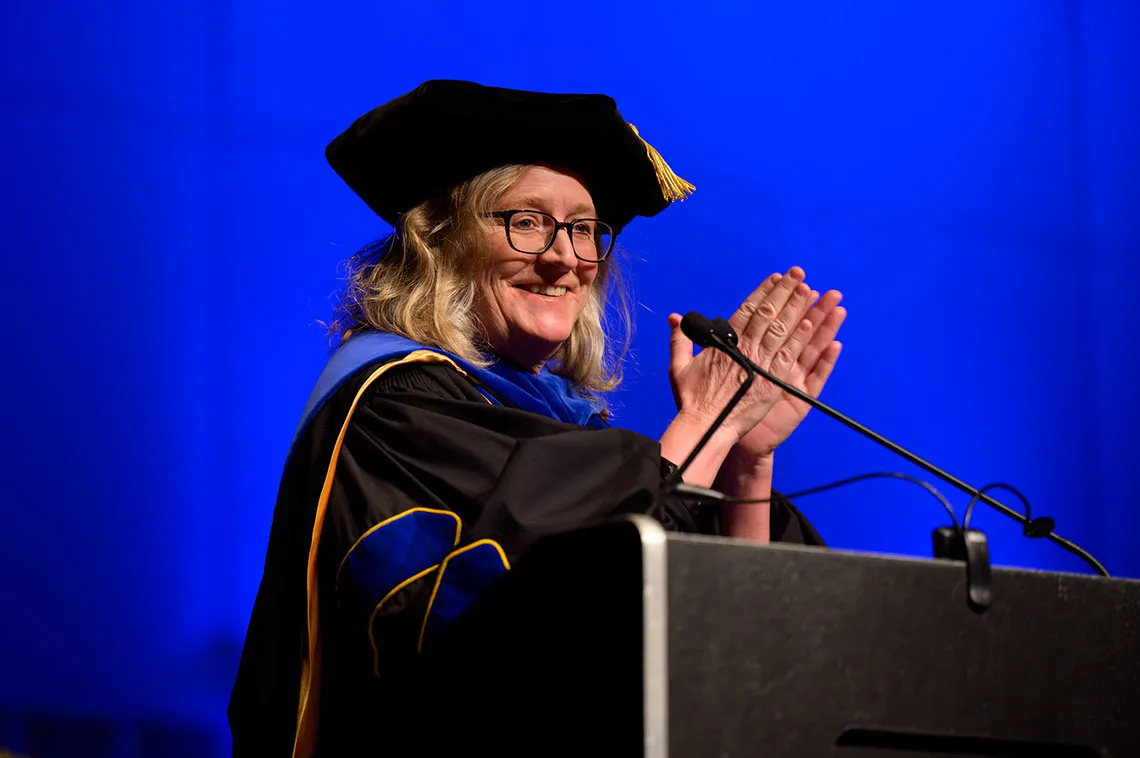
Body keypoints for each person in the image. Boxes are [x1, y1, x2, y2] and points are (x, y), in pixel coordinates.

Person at [228, 80, 846, 758]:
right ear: (442, 241)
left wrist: (743, 459)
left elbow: (727, 640)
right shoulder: (391, 406)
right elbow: (529, 616)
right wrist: (703, 423)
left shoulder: (563, 425)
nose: (564, 257)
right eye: (525, 220)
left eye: (584, 230)